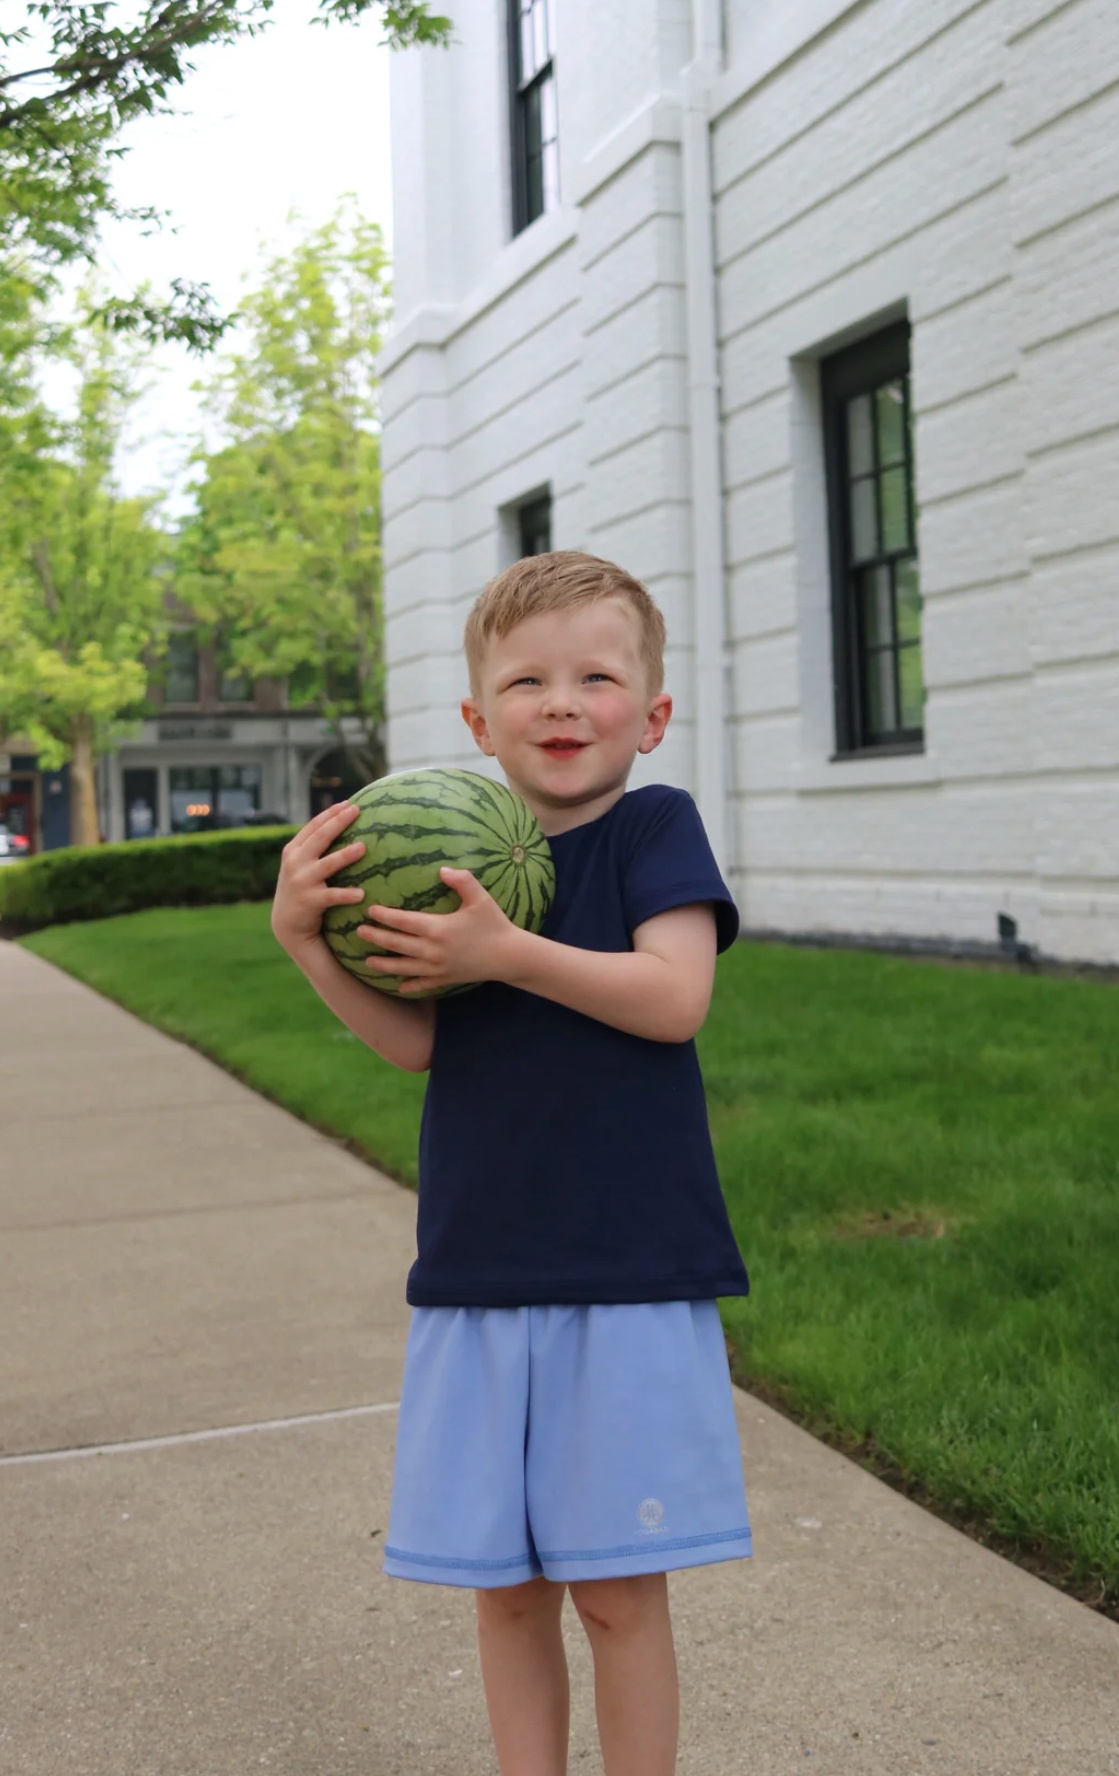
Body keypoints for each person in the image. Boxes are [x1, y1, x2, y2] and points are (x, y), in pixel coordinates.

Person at [271, 550, 751, 1776]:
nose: (561, 703)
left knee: (616, 1596)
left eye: (595, 677)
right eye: (527, 681)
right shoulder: (453, 869)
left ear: (648, 714)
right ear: (479, 722)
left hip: (626, 1273)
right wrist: (310, 947)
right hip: (479, 1273)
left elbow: (672, 998)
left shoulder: (655, 827)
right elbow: (417, 1049)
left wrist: (507, 952)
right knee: (507, 1590)